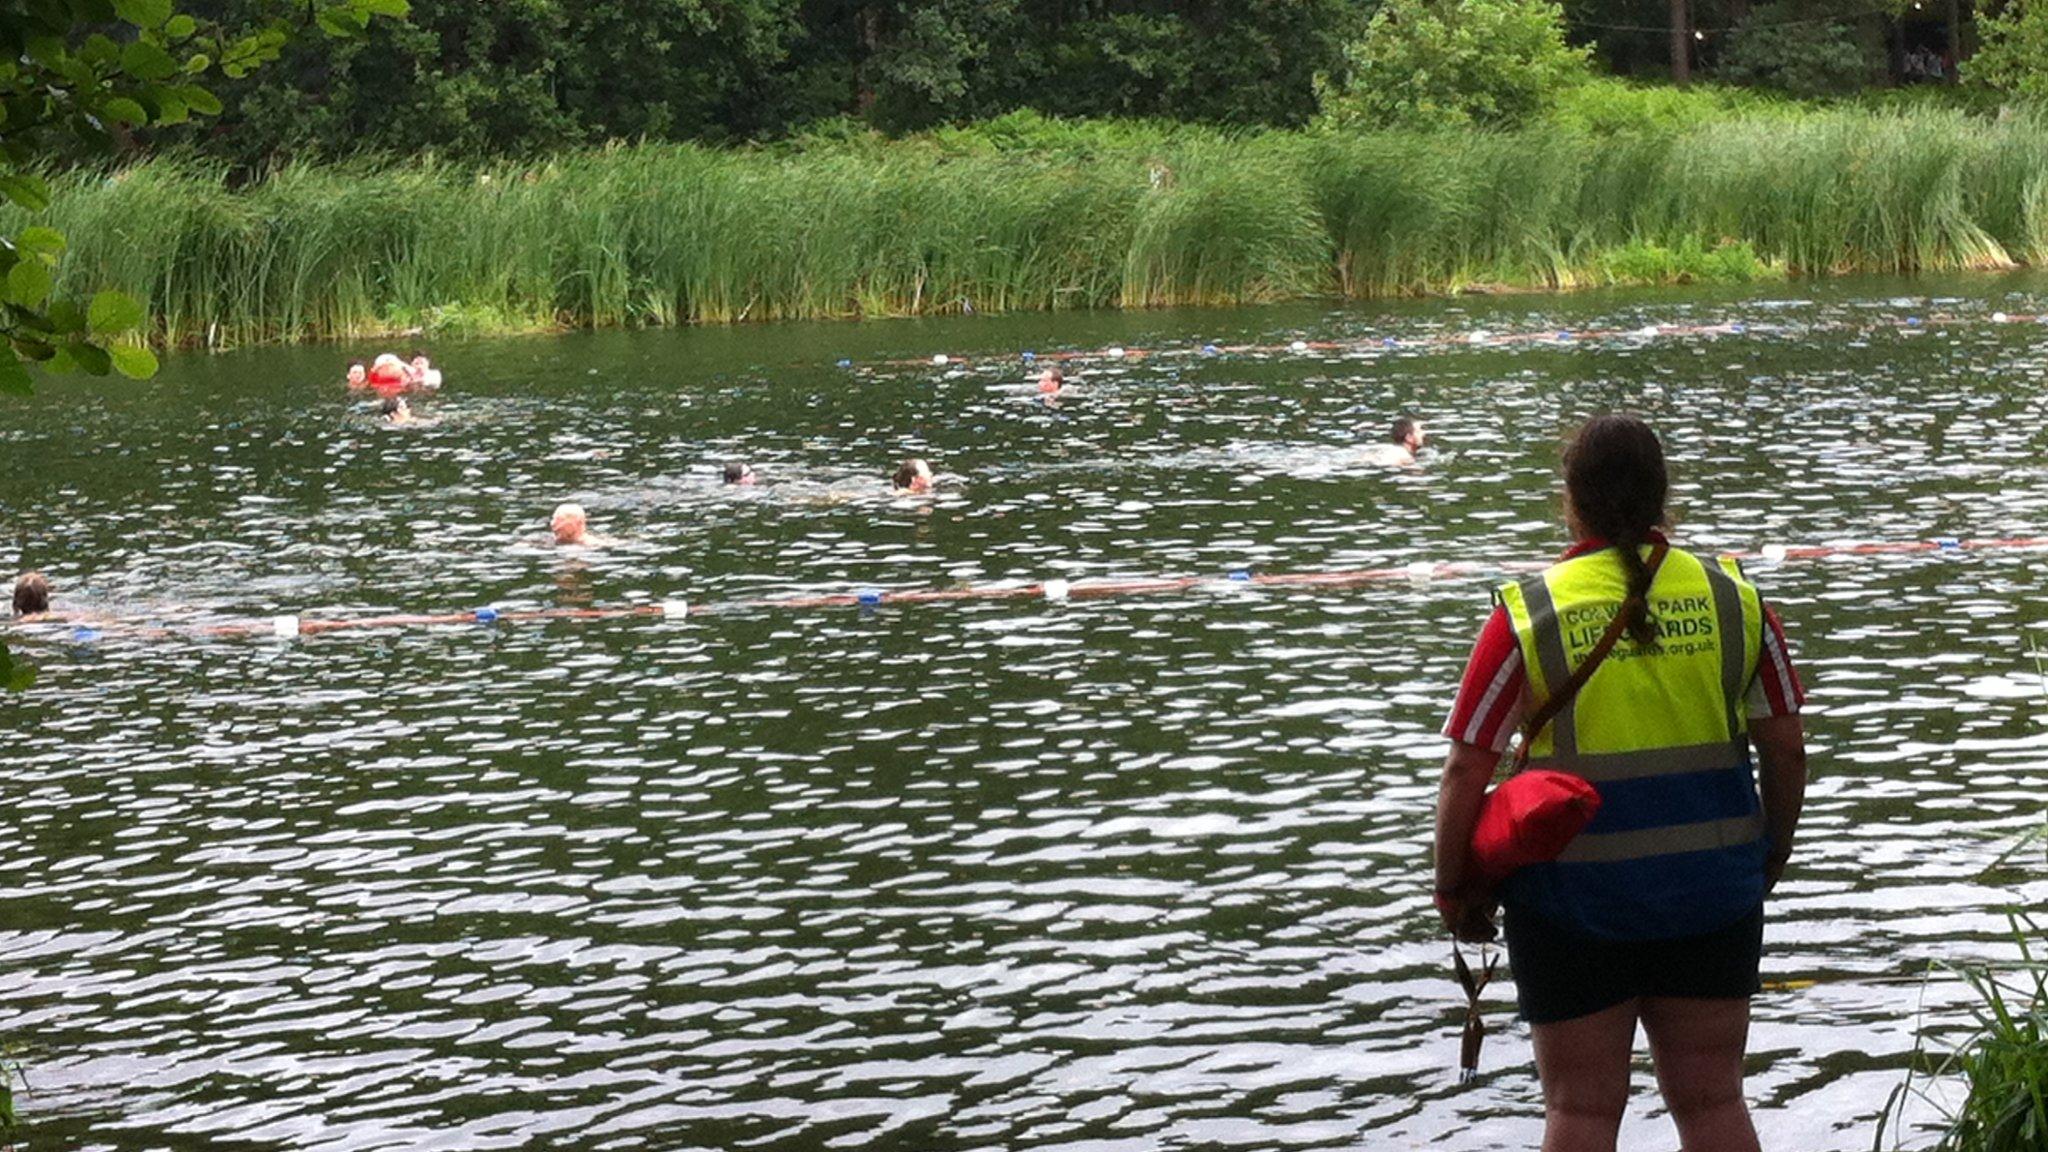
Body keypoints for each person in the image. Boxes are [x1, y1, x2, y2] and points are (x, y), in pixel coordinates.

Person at [1433, 413, 1807, 1152]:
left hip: (1571, 903)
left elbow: (1465, 766)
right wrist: (1770, 855)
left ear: (1570, 499)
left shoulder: (1530, 611)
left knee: (1580, 1112)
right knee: (1712, 1103)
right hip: (1712, 893)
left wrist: (1453, 886)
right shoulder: (1736, 600)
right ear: (1665, 495)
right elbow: (1787, 750)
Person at [1363, 415, 1427, 467]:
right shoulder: (1403, 456)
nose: (1423, 433)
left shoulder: (1394, 450)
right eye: (1419, 431)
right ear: (1409, 437)